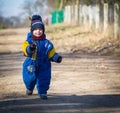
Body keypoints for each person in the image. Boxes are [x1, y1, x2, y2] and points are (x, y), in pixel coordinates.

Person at [22, 15, 62, 100]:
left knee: (44, 77)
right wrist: (30, 49)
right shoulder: (28, 42)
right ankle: (29, 88)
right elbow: (26, 50)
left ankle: (43, 92)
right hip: (31, 62)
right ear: (32, 31)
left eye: (40, 29)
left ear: (43, 31)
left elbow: (51, 52)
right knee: (29, 78)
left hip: (44, 63)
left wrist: (56, 57)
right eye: (35, 30)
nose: (38, 31)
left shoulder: (47, 43)